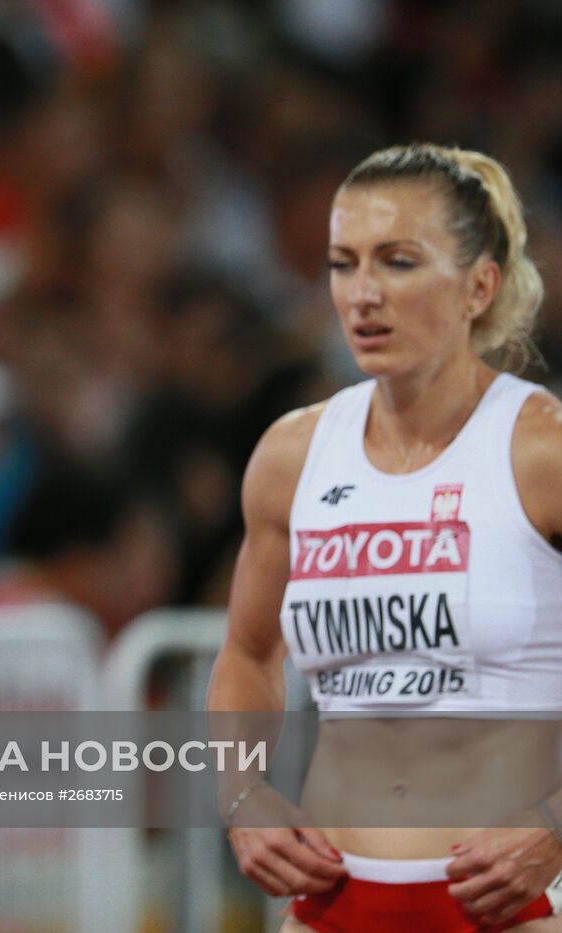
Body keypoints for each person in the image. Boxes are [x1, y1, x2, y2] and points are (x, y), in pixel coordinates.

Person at [209, 142, 562, 931]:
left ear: (481, 284)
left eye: (398, 262)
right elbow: (248, 652)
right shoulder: (293, 455)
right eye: (343, 263)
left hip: (512, 903)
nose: (362, 293)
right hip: (331, 901)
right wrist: (242, 795)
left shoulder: (543, 449)